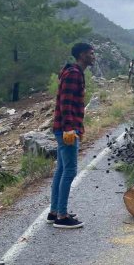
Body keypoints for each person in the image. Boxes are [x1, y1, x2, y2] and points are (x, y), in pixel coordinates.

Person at [49, 43, 95, 229]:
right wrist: (70, 129)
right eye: (91, 53)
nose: (94, 56)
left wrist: (78, 128)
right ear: (82, 55)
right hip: (66, 129)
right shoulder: (74, 74)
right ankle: (62, 216)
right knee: (69, 171)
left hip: (66, 127)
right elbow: (65, 104)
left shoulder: (74, 72)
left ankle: (54, 211)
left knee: (61, 170)